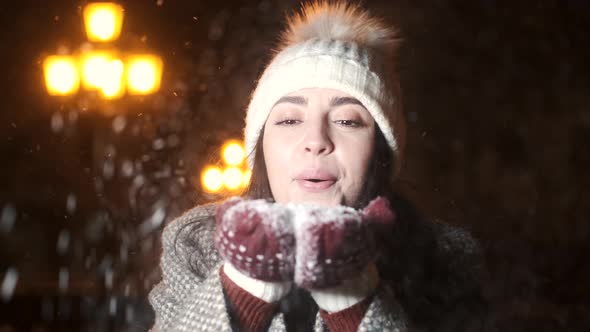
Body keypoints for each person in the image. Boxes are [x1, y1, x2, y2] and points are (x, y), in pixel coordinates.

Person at [149, 2, 492, 331]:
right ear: (260, 148)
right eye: (288, 120)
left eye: (346, 120)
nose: (316, 140)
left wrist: (351, 298)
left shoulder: (444, 259)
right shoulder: (197, 244)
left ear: (380, 153)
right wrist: (246, 283)